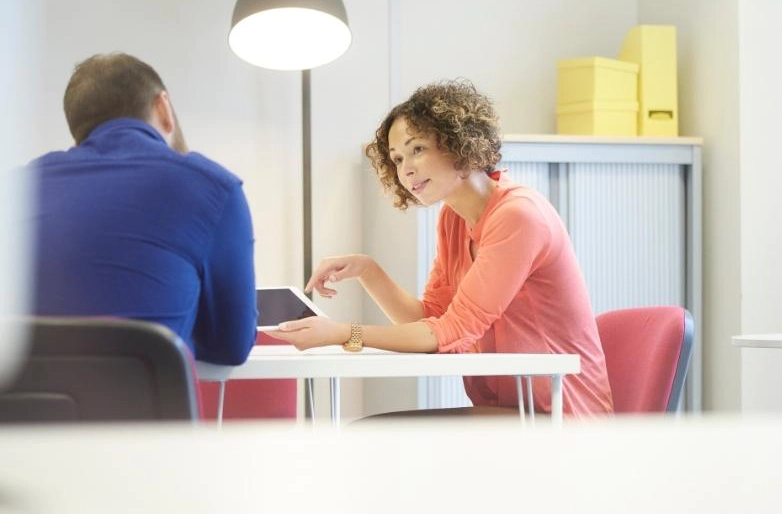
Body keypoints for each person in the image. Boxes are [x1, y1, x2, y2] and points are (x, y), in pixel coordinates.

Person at [270, 80, 612, 416]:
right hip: (513, 409)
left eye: (417, 149)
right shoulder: (453, 218)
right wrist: (367, 270)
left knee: (376, 437)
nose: (406, 169)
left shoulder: (519, 216)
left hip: (562, 414)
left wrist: (345, 333)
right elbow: (432, 320)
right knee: (375, 435)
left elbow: (452, 332)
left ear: (458, 143)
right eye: (397, 158)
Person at [28, 53, 257, 365]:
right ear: (163, 106)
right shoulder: (213, 187)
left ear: (77, 127)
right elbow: (231, 346)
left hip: (26, 411)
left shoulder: (19, 186)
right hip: (147, 411)